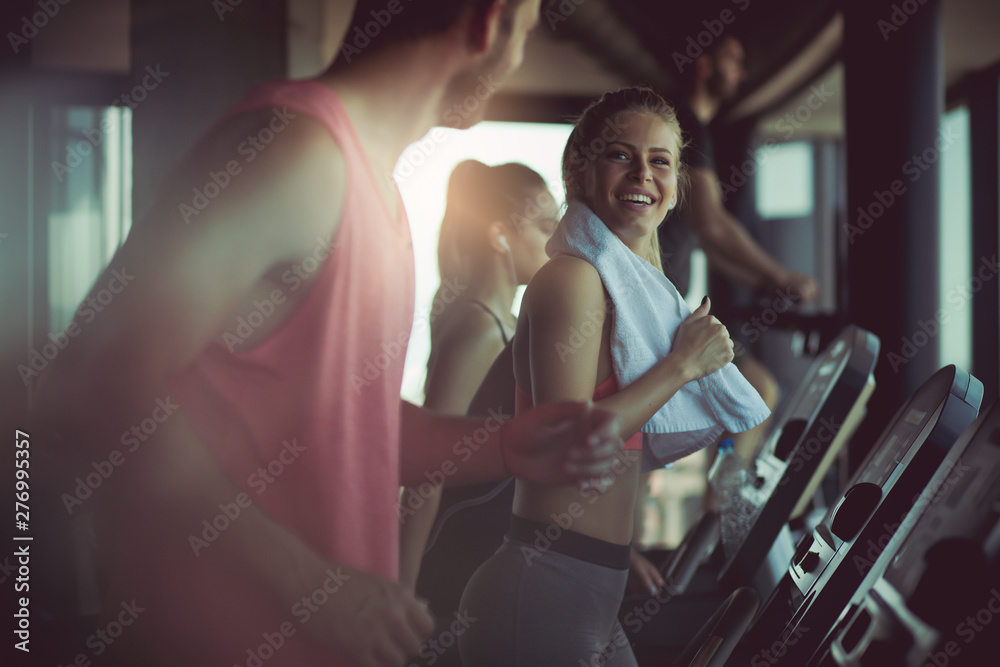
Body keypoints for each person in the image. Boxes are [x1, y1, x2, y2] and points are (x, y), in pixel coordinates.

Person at [32, 3, 626, 666]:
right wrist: (314, 587)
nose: (520, 53)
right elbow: (96, 381)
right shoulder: (298, 154)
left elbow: (354, 425)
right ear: (492, 21)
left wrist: (505, 445)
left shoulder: (379, 192)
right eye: (528, 27)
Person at [458, 87, 753, 666]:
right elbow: (564, 439)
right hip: (543, 589)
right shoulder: (572, 280)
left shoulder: (630, 297)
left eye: (660, 161)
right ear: (579, 170)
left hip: (589, 587)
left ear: (674, 187)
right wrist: (682, 366)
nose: (643, 172)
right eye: (621, 155)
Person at [398, 160, 558, 592]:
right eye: (546, 227)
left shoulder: (505, 322)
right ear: (500, 235)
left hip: (486, 552)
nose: (559, 240)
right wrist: (403, 587)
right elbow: (425, 468)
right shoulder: (479, 328)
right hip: (452, 561)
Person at [660, 33, 819, 460]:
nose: (742, 73)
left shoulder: (695, 128)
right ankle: (723, 517)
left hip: (665, 307)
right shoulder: (685, 124)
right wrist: (781, 275)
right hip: (658, 312)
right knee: (758, 392)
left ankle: (720, 509)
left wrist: (759, 282)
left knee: (752, 395)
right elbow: (711, 224)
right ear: (704, 64)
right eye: (733, 59)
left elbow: (707, 243)